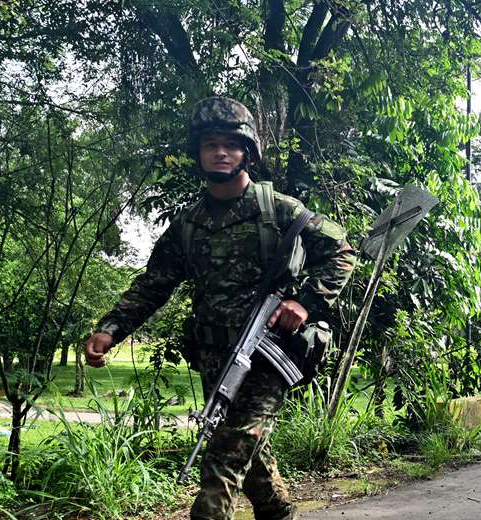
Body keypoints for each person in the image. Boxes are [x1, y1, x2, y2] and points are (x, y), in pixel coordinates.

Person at [82, 97, 355, 520]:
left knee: (225, 454)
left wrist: (304, 302)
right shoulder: (188, 225)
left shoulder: (278, 210)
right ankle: (279, 513)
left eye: (231, 144)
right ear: (198, 152)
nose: (221, 153)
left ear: (247, 152)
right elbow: (154, 284)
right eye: (211, 145)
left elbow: (341, 253)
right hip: (217, 357)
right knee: (249, 456)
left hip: (269, 354)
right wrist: (111, 329)